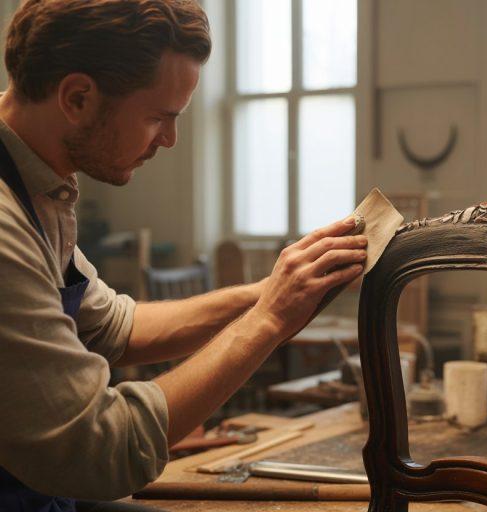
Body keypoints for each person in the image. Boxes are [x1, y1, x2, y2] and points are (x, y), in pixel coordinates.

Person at [0, 1, 367, 510]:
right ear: (78, 97)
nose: (169, 140)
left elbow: (113, 327)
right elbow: (96, 448)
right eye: (157, 118)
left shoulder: (39, 184)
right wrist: (268, 320)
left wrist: (272, 290)